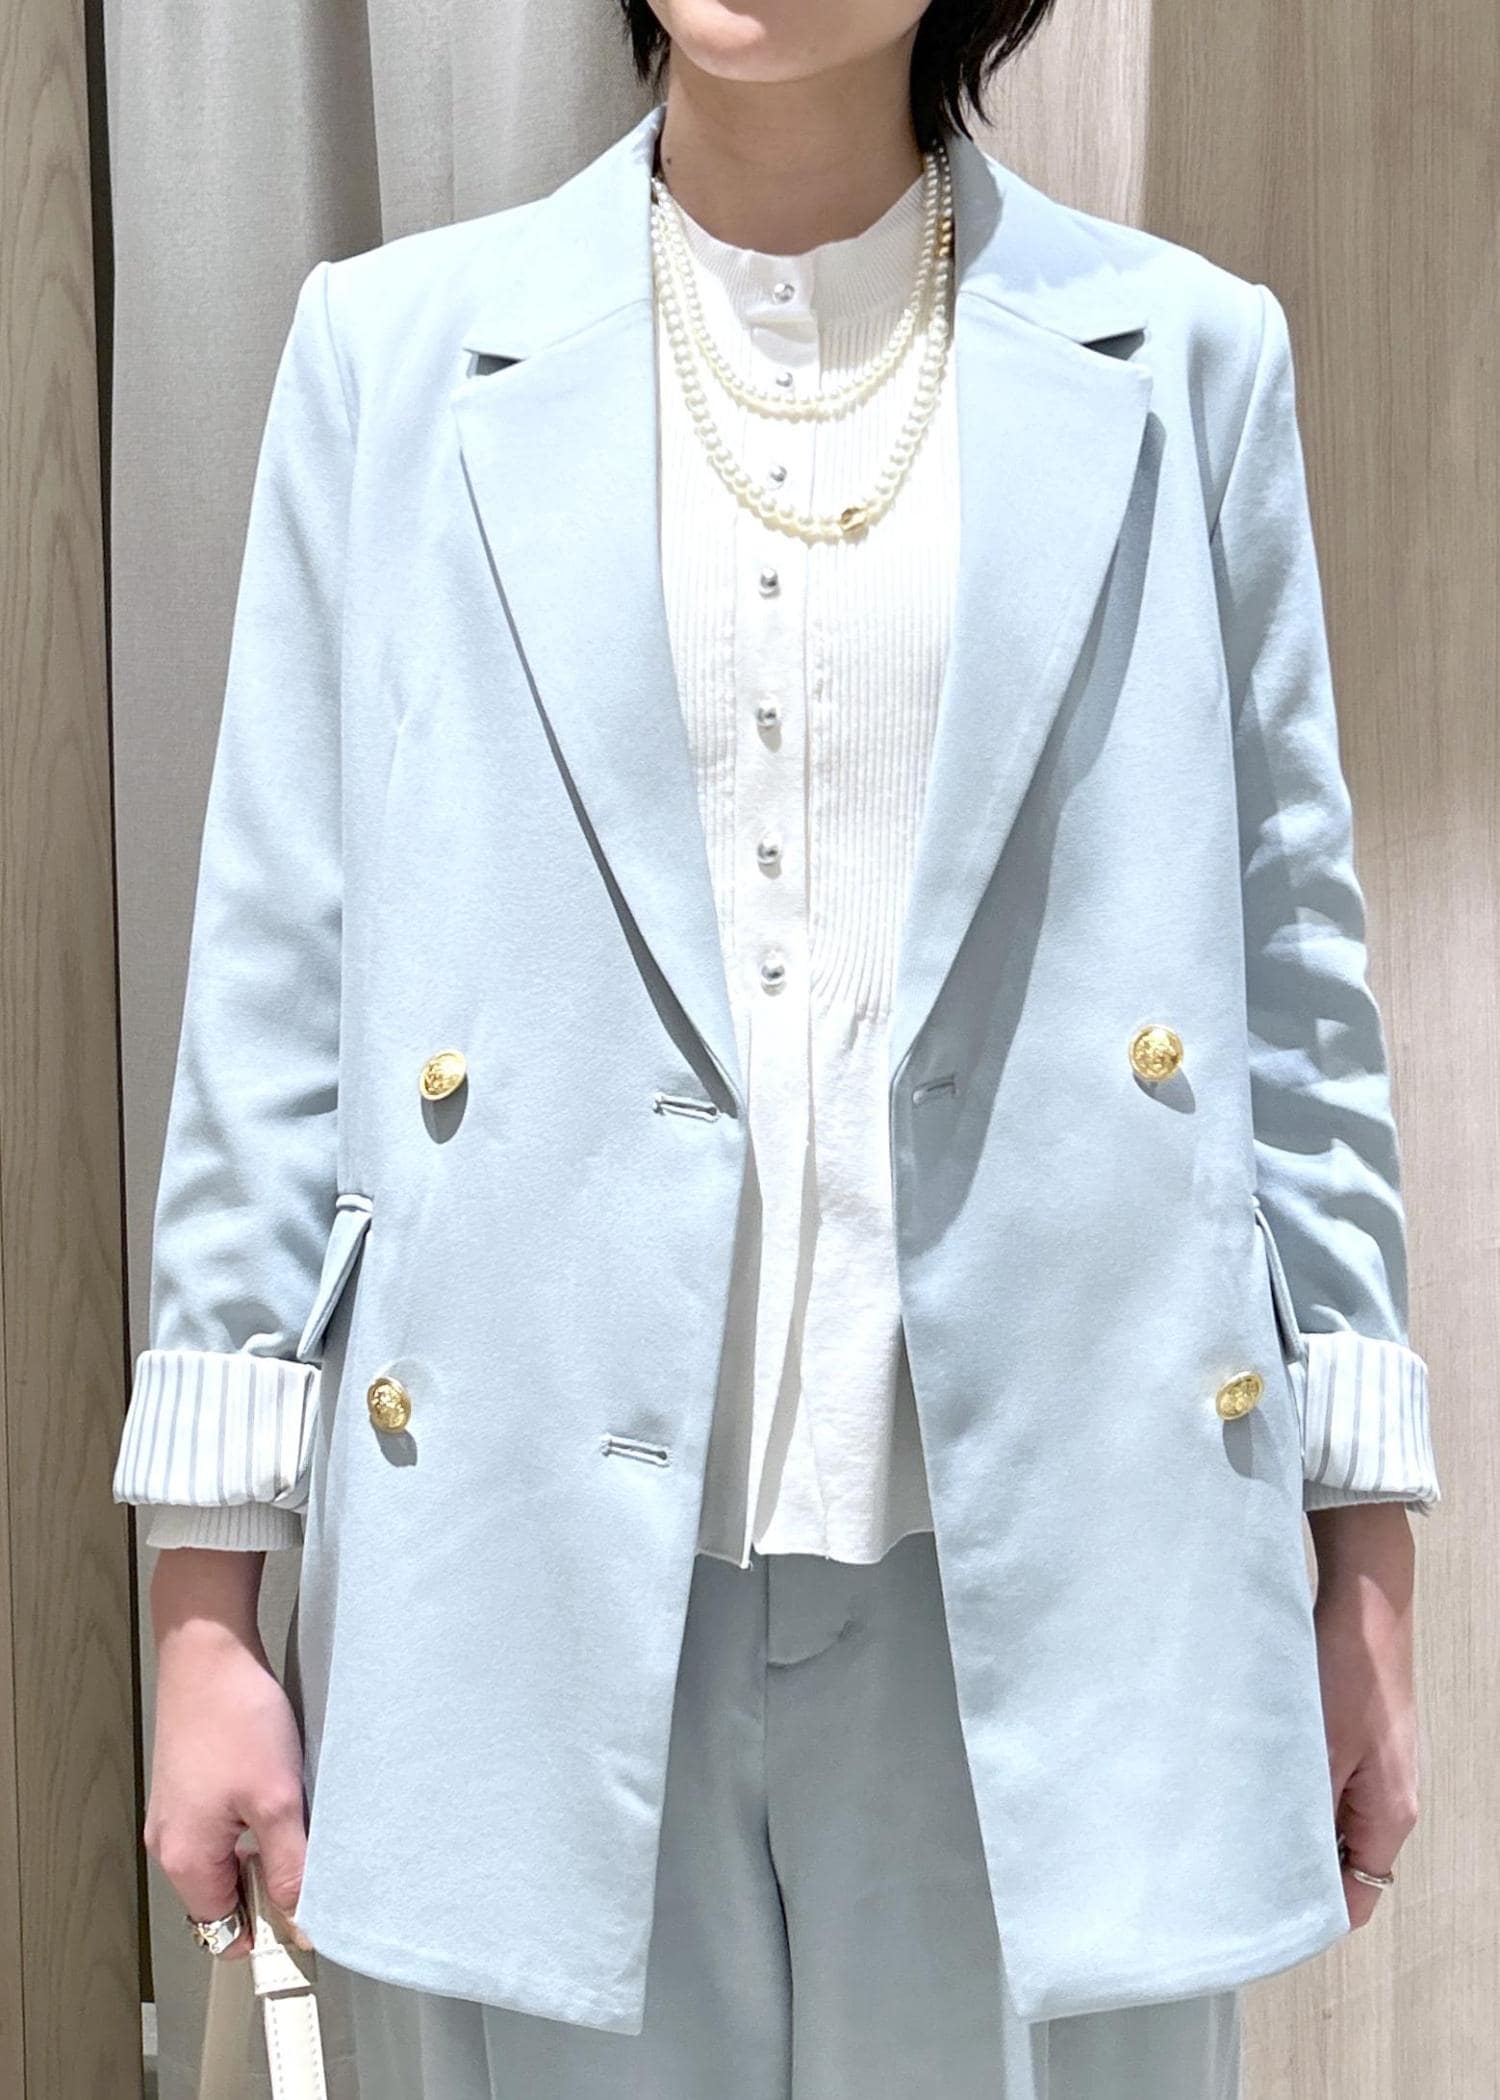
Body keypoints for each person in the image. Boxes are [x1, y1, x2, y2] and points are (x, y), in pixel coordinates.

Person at [114, 4, 1442, 2096]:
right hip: (524, 1555)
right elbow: (279, 979)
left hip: (1044, 1566)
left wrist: (1365, 1554)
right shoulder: (393, 356)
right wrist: (206, 1608)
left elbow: (1293, 990)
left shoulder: (1187, 357)